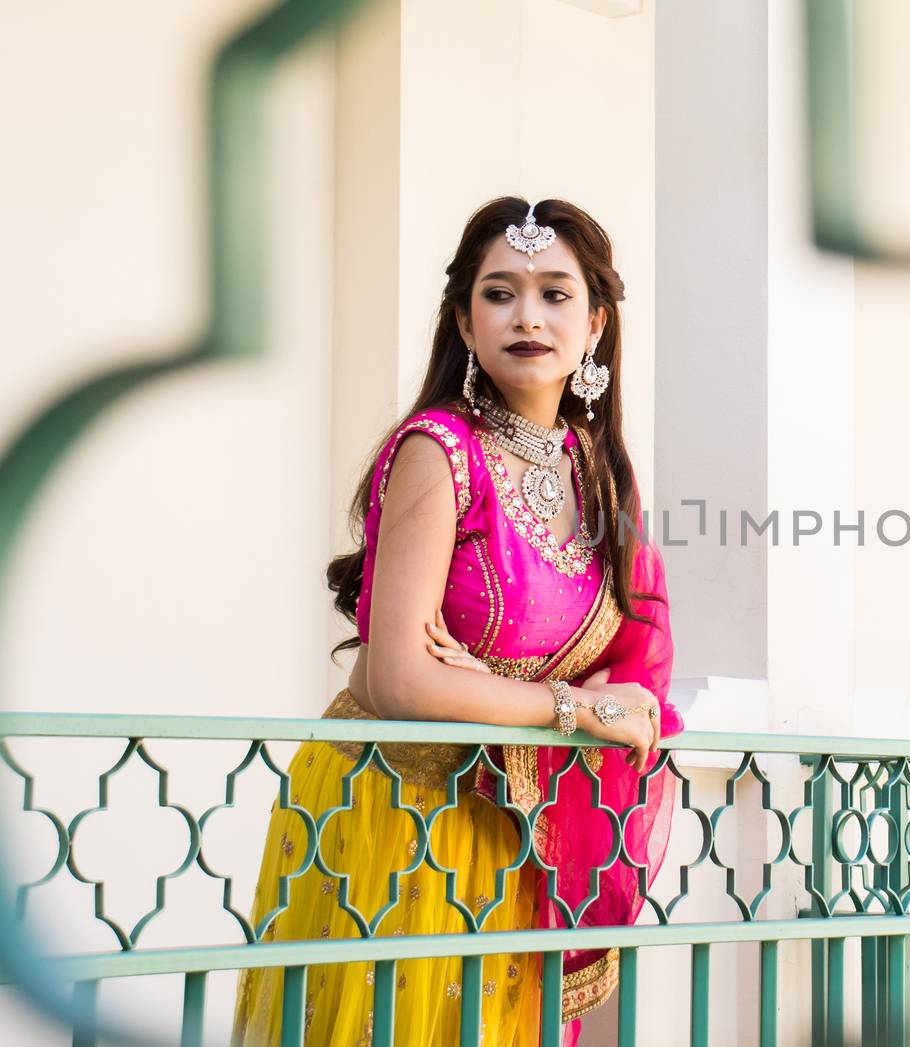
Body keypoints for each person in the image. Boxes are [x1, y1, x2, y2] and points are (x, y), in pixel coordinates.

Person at [232, 197, 683, 1046]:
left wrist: (492, 687)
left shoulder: (601, 480)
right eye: (499, 292)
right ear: (464, 322)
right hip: (397, 812)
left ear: (595, 326)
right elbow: (399, 680)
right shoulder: (438, 451)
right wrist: (575, 706)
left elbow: (637, 674)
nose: (527, 316)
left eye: (556, 293)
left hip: (518, 829)